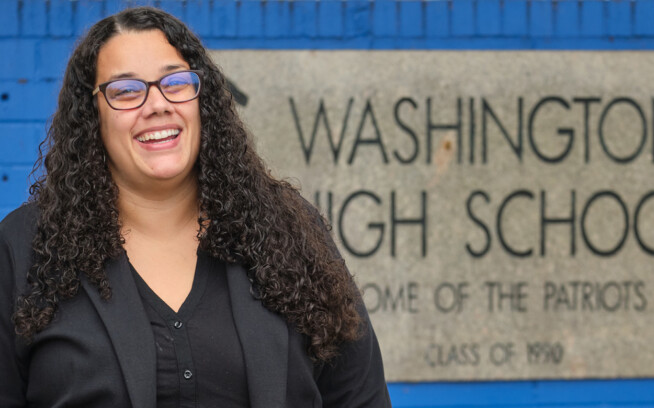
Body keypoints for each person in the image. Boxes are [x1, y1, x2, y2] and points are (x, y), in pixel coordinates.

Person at [0, 6, 391, 408]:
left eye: (176, 82)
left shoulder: (289, 231)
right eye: (126, 90)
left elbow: (359, 397)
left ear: (201, 100)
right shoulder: (25, 248)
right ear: (92, 114)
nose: (157, 104)